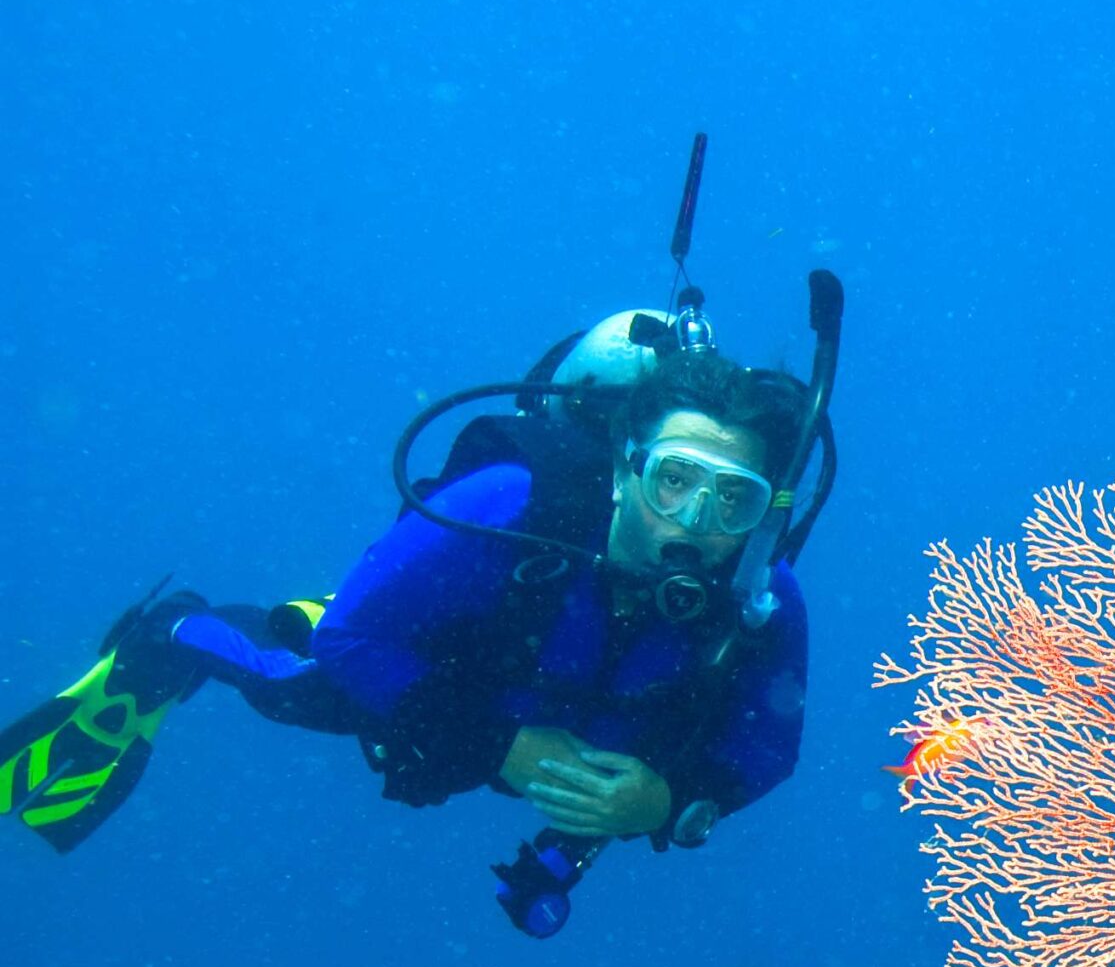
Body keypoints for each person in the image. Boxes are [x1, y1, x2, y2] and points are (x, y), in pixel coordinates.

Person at [0, 336, 814, 883]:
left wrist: (664, 802)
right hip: (431, 674)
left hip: (554, 720)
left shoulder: (764, 599)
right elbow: (359, 636)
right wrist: (499, 746)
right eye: (675, 479)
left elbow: (768, 748)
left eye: (732, 499)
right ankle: (175, 631)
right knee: (295, 681)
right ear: (625, 466)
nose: (695, 523)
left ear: (764, 511)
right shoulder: (510, 503)